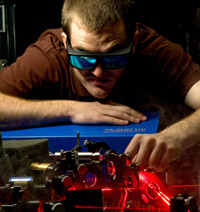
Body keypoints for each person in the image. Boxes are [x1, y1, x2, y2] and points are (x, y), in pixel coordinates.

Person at [0, 0, 200, 172]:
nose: (98, 72)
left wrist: (177, 136)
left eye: (113, 57)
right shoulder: (48, 56)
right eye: (84, 58)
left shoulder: (154, 52)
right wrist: (72, 110)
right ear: (66, 42)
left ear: (135, 41)